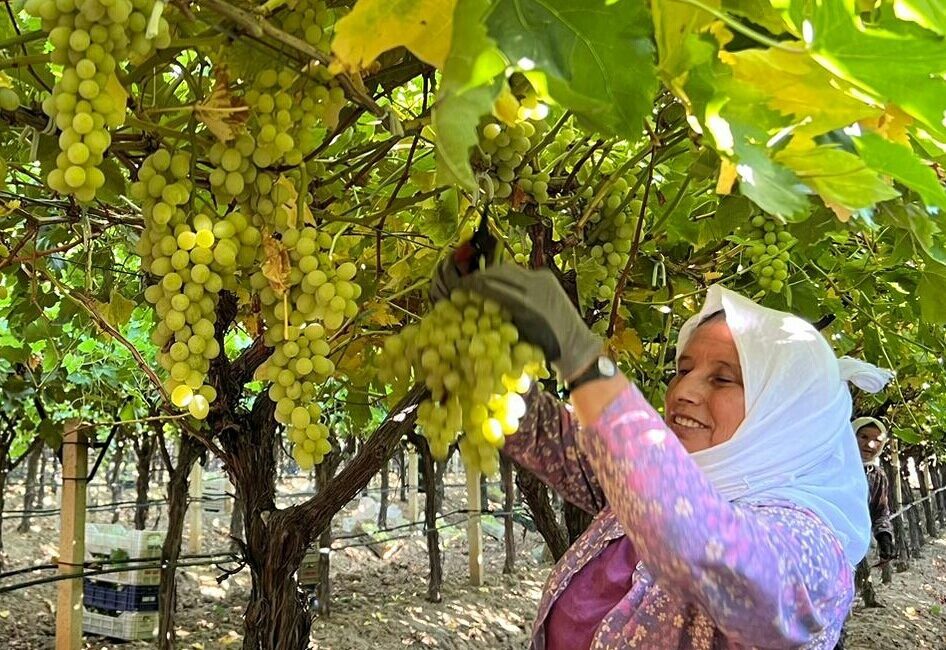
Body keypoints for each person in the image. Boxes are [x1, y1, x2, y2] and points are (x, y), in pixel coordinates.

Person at [431, 262, 894, 649]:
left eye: (724, 379)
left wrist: (579, 354)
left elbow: (704, 546)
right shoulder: (649, 482)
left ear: (785, 411)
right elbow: (553, 437)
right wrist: (471, 356)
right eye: (684, 369)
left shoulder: (812, 552)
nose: (683, 392)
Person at [852, 417, 896, 565]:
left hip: (856, 544)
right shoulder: (832, 465)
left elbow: (880, 511)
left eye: (877, 440)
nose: (870, 444)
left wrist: (885, 537)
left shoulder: (876, 475)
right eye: (863, 436)